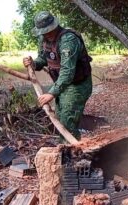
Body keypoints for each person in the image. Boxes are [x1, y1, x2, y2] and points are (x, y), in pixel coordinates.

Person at [23, 11, 92, 142]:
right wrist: (33, 63)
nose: (45, 34)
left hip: (77, 85)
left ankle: (73, 155)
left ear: (54, 26)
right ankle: (65, 149)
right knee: (60, 119)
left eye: (47, 31)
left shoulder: (68, 40)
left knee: (67, 122)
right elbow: (43, 59)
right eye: (42, 32)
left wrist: (51, 93)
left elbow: (68, 72)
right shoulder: (44, 39)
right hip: (62, 84)